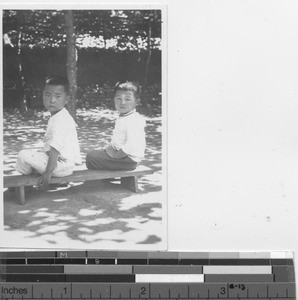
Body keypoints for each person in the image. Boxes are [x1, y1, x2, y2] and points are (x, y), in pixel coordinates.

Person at [15, 76, 81, 188]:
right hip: (61, 164)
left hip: (60, 166)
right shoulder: (59, 115)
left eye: (58, 96)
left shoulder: (61, 120)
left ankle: (26, 181)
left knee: (23, 155)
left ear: (67, 99)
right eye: (48, 95)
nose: (52, 100)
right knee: (35, 153)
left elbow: (55, 147)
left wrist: (48, 173)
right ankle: (34, 176)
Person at [86, 81, 146, 170]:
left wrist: (115, 156)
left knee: (91, 158)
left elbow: (132, 145)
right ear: (114, 99)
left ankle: (103, 182)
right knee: (93, 154)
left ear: (137, 102)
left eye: (127, 99)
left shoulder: (134, 119)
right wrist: (110, 148)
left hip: (128, 159)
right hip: (122, 155)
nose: (122, 103)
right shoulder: (124, 116)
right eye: (118, 99)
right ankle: (104, 179)